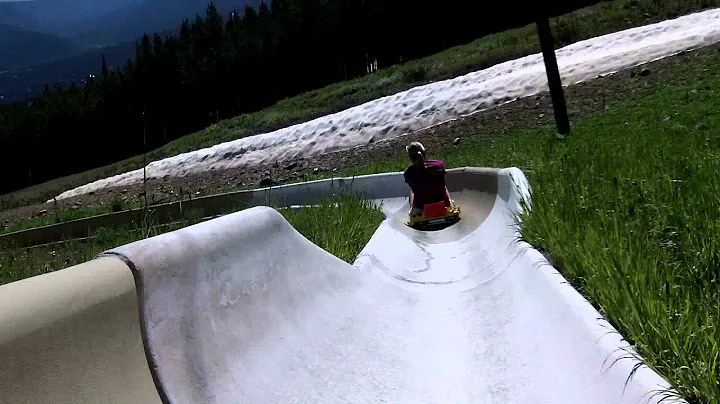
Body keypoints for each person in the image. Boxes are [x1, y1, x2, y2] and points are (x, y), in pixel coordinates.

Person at [403, 141, 451, 218]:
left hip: (421, 208)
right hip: (442, 203)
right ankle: (449, 204)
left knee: (413, 192)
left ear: (410, 157)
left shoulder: (408, 173)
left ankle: (413, 210)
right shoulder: (438, 165)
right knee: (443, 187)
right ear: (425, 152)